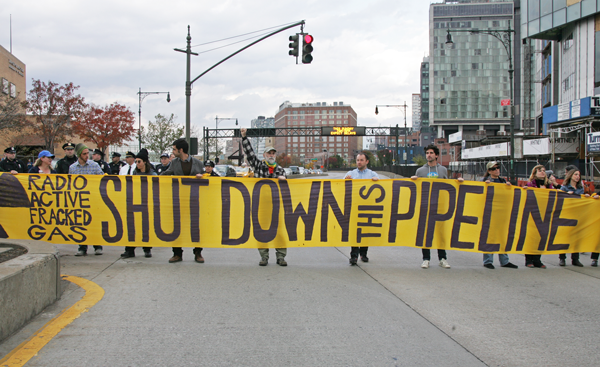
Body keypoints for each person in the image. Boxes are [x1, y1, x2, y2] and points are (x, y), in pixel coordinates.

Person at [240, 127, 288, 267]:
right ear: (264, 155)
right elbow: (249, 154)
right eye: (269, 153)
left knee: (280, 231)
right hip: (261, 205)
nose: (271, 155)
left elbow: (287, 187)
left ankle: (281, 257)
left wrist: (284, 178)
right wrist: (244, 137)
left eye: (273, 153)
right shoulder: (258, 166)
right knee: (261, 231)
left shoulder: (280, 170)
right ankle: (264, 256)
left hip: (276, 206)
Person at [411, 144, 463, 269]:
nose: (428, 155)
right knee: (425, 233)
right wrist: (412, 180)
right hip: (426, 206)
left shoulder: (443, 170)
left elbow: (449, 185)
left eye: (431, 153)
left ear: (436, 155)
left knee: (441, 233)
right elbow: (415, 189)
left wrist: (459, 182)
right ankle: (426, 259)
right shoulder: (420, 171)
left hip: (441, 207)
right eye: (427, 153)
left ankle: (442, 258)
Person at [160, 138, 206, 263]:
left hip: (194, 200)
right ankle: (177, 253)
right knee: (177, 225)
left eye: (174, 149)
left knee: (196, 226)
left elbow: (208, 179)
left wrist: (202, 177)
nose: (173, 152)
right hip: (178, 200)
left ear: (181, 150)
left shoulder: (197, 163)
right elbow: (167, 173)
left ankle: (198, 253)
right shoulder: (174, 162)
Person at [68, 143, 105, 256]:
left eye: (87, 153)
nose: (86, 156)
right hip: (80, 200)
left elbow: (102, 179)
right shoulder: (73, 168)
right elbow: (70, 184)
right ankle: (82, 247)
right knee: (82, 224)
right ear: (79, 155)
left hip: (93, 199)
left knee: (94, 223)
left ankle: (97, 246)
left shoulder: (94, 166)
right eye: (84, 154)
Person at [480, 161, 517, 269]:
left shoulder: (503, 181)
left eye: (497, 168)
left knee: (502, 236)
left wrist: (509, 188)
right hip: (489, 212)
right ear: (489, 171)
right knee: (489, 236)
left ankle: (504, 261)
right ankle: (488, 261)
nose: (496, 170)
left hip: (502, 213)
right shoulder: (484, 181)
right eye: (493, 169)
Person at [344, 152, 379, 265]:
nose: (359, 162)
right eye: (358, 160)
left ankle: (363, 254)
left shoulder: (372, 174)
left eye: (361, 160)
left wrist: (376, 181)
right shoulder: (351, 173)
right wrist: (346, 181)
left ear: (367, 161)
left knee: (365, 231)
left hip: (367, 207)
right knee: (354, 231)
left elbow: (380, 187)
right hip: (354, 207)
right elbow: (340, 187)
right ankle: (353, 256)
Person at [558, 168, 598, 266]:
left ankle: (575, 259)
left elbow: (584, 200)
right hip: (567, 215)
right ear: (571, 175)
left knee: (576, 238)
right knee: (565, 238)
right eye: (576, 174)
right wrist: (567, 195)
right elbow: (560, 199)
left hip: (578, 215)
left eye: (579, 175)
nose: (577, 177)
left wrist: (587, 197)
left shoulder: (580, 188)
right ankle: (562, 258)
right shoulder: (565, 188)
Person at [121, 149, 155, 259]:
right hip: (135, 201)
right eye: (136, 162)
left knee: (145, 226)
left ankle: (147, 249)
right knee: (132, 226)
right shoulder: (135, 172)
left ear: (145, 162)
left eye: (139, 161)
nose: (137, 164)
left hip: (147, 203)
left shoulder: (152, 174)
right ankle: (129, 250)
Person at [523, 165, 554, 268]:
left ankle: (537, 260)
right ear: (534, 173)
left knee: (541, 238)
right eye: (540, 171)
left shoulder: (549, 185)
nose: (542, 172)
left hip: (545, 213)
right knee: (531, 238)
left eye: (544, 171)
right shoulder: (530, 184)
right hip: (532, 214)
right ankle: (529, 260)